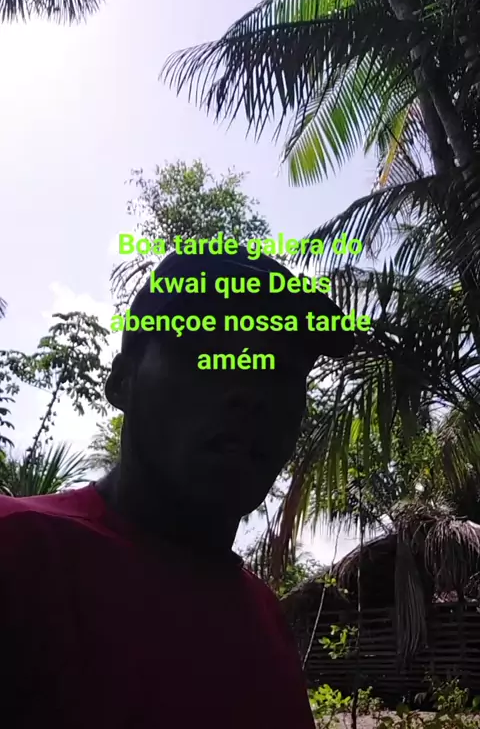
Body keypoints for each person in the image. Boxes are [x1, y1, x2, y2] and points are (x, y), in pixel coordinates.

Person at [1, 247, 354, 728]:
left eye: (282, 371)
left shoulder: (265, 621)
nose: (252, 391)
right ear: (123, 382)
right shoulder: (18, 551)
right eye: (209, 354)